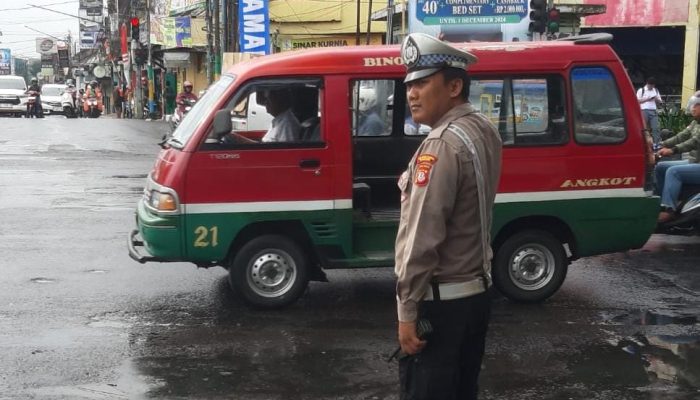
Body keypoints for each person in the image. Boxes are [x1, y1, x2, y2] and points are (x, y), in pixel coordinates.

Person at [394, 33, 502, 400]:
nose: (412, 93)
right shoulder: (483, 129)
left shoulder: (440, 144)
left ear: (454, 86)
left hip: (442, 305)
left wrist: (407, 311)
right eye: (410, 84)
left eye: (423, 83)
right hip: (476, 297)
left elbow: (422, 237)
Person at [655, 91, 700, 223]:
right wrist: (659, 145)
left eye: (696, 105)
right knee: (661, 167)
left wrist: (673, 150)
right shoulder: (695, 123)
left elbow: (694, 142)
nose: (693, 108)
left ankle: (669, 210)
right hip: (694, 161)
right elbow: (681, 136)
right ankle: (660, 203)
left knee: (673, 172)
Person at [637, 77, 663, 148]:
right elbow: (637, 101)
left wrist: (656, 99)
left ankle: (656, 143)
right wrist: (648, 99)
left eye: (652, 85)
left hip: (653, 110)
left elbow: (660, 102)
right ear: (647, 84)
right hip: (644, 110)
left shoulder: (656, 90)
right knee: (645, 128)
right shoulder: (641, 90)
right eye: (650, 85)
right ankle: (644, 143)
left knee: (656, 127)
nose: (651, 87)